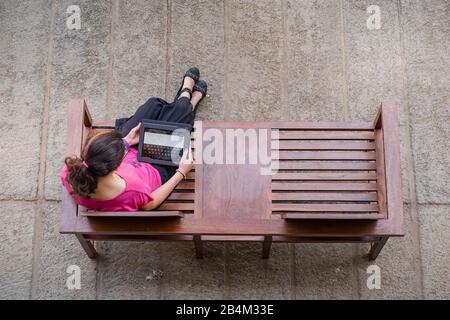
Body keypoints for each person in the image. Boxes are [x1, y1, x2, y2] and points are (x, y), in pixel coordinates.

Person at [60, 67, 207, 211]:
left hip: (132, 151)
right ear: (117, 167)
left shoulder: (71, 172)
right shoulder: (133, 191)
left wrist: (127, 141)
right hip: (153, 168)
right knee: (179, 113)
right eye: (122, 148)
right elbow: (150, 204)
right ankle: (187, 98)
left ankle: (186, 105)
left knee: (153, 105)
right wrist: (181, 172)